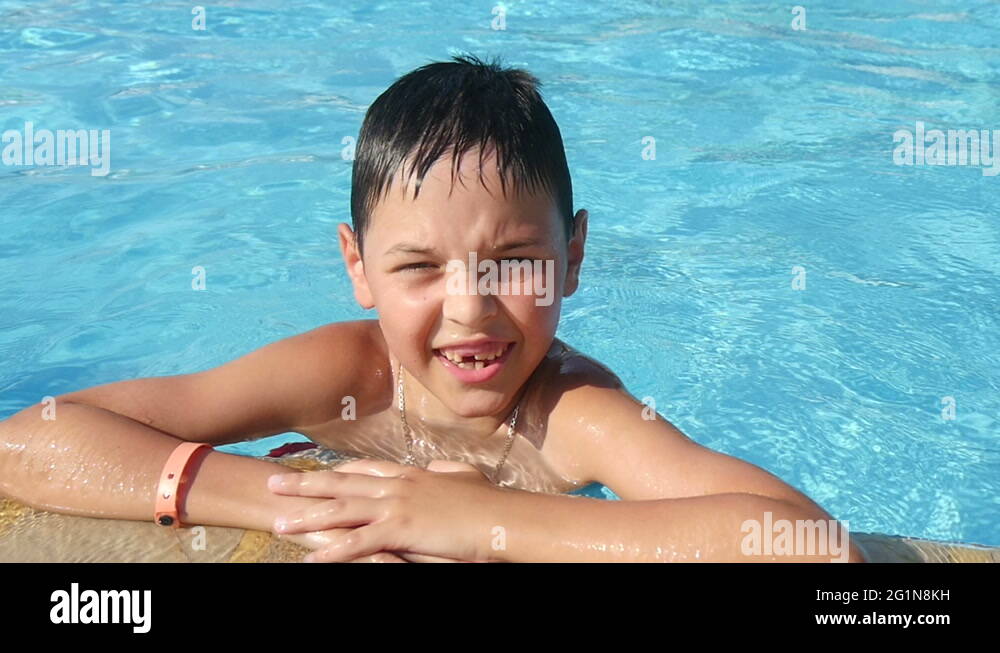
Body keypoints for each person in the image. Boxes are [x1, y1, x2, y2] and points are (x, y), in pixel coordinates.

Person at [0, 54, 864, 563]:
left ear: (574, 257)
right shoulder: (349, 373)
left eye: (517, 261)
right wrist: (298, 502)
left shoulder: (571, 414)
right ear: (358, 267)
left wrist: (483, 520)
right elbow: (29, 438)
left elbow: (813, 551)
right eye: (418, 265)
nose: (470, 311)